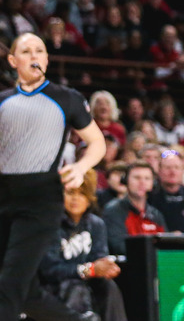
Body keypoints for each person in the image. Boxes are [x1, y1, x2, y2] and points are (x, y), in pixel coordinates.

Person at [0, 33, 106, 320]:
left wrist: (81, 167)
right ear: (13, 60)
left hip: (41, 199)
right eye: (26, 51)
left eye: (40, 51)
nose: (34, 56)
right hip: (3, 194)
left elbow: (97, 143)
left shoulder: (67, 98)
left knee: (8, 285)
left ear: (47, 59)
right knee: (26, 292)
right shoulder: (3, 101)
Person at [31, 170, 127, 321]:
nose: (75, 198)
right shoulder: (49, 224)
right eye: (70, 192)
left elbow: (99, 259)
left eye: (82, 193)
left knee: (109, 286)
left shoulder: (96, 224)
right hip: (51, 285)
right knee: (74, 287)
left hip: (85, 282)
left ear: (89, 199)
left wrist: (106, 268)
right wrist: (87, 270)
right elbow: (48, 270)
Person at [101, 160, 165, 256]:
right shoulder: (113, 211)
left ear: (153, 184)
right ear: (125, 181)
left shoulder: (156, 214)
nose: (142, 182)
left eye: (147, 178)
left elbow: (165, 245)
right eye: (137, 177)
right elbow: (120, 248)